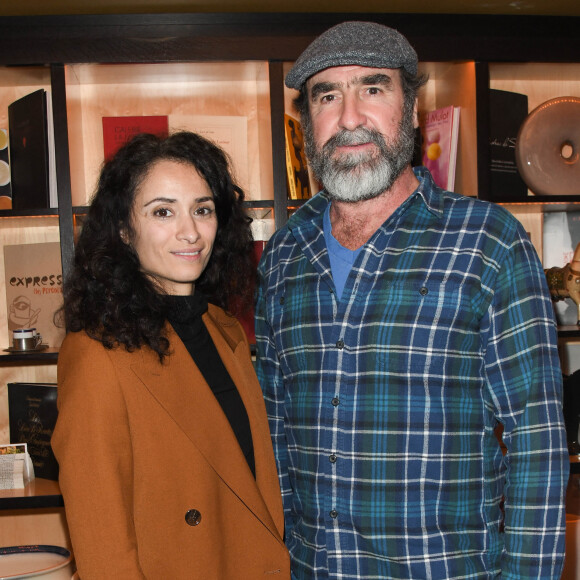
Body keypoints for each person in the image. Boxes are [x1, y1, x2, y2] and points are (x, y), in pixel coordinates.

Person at [255, 20, 569, 579]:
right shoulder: (283, 254)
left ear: (412, 110)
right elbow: (274, 430)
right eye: (328, 95)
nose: (350, 117)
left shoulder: (489, 244)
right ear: (307, 123)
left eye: (373, 89)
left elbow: (538, 442)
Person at [52, 131, 290, 579]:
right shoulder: (97, 353)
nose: (190, 231)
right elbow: (103, 546)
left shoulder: (224, 331)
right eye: (163, 211)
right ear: (124, 229)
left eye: (203, 209)